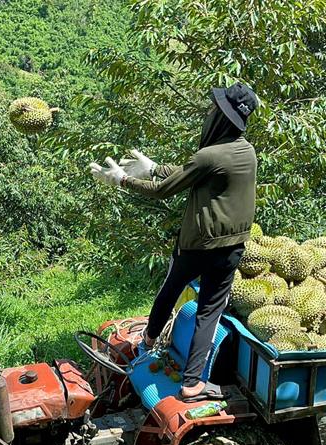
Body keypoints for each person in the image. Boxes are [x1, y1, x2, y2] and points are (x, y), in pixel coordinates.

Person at [89, 82, 259, 399]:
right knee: (210, 311)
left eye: (214, 110)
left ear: (220, 118)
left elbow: (164, 190)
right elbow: (186, 172)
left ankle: (148, 342)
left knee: (170, 289)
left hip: (196, 245)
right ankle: (193, 382)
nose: (210, 114)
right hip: (231, 248)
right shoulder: (245, 152)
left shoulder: (210, 155)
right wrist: (153, 167)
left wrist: (123, 179)